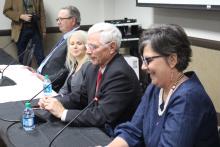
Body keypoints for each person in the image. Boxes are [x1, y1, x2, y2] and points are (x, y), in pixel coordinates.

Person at [106, 24, 220, 147]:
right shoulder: (154, 88)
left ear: (172, 60)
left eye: (148, 60)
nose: (143, 67)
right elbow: (133, 132)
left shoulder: (188, 98)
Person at [38, 22, 141, 136]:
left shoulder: (120, 74)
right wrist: (55, 101)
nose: (88, 51)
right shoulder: (93, 67)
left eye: (93, 47)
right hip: (97, 127)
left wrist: (63, 113)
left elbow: (103, 115)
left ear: (111, 47)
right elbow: (79, 97)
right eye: (87, 46)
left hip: (114, 135)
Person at [35, 5, 81, 92]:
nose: (58, 22)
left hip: (51, 85)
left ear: (73, 20)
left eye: (61, 19)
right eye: (57, 19)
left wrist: (46, 80)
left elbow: (69, 69)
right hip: (41, 78)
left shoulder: (76, 38)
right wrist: (36, 72)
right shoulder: (66, 36)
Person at [3, 0, 46, 65]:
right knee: (23, 58)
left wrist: (43, 30)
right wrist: (20, 16)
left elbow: (42, 12)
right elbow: (6, 11)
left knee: (40, 56)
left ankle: (44, 74)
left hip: (35, 27)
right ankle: (25, 74)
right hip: (20, 29)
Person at [58, 30, 90, 96]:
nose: (75, 47)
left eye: (79, 43)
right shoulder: (74, 65)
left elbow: (81, 95)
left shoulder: (89, 65)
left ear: (86, 46)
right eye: (72, 44)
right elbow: (64, 89)